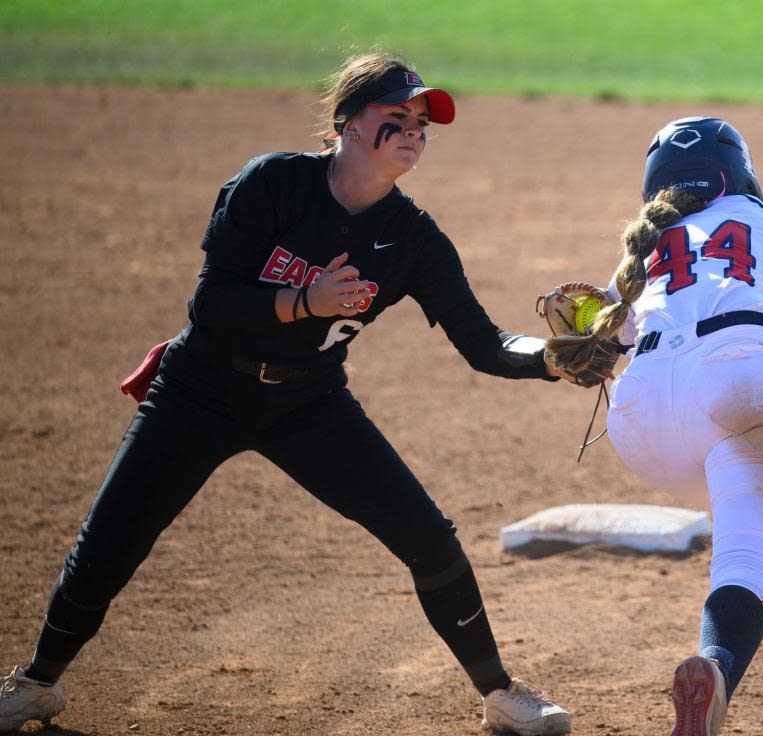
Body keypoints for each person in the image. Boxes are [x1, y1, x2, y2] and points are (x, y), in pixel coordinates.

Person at [0, 53, 571, 736]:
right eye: (398, 114)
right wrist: (306, 302)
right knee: (109, 545)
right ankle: (36, 683)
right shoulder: (273, 183)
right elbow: (211, 304)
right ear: (348, 124)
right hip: (199, 389)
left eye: (422, 121)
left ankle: (500, 694)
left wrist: (556, 359)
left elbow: (485, 344)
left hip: (308, 404)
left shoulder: (413, 239)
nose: (414, 128)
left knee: (428, 538)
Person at [545, 117, 763, 735]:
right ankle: (716, 670)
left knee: (760, 522)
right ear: (738, 170)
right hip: (737, 388)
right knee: (748, 554)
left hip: (641, 422)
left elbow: (606, 335)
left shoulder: (640, 249)